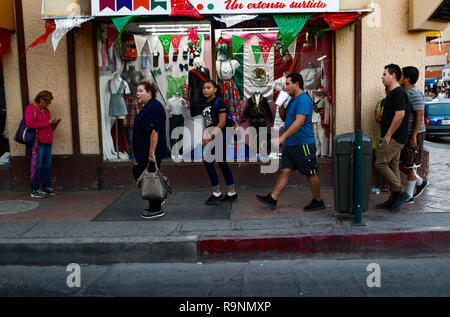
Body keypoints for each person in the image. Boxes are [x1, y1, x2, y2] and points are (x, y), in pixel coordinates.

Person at [256, 73, 326, 211]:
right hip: (291, 143)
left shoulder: (303, 99)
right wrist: (280, 104)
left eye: (288, 84)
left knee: (310, 173)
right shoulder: (293, 100)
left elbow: (299, 122)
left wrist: (281, 138)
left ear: (297, 84)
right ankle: (273, 199)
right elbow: (283, 118)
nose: (285, 87)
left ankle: (318, 201)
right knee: (285, 171)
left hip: (303, 143)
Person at [375, 64, 411, 211]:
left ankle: (401, 192)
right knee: (392, 165)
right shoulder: (392, 93)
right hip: (392, 136)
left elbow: (400, 114)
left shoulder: (399, 93)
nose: (382, 77)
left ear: (393, 75)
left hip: (394, 137)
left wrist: (389, 134)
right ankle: (393, 199)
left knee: (380, 163)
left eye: (385, 74)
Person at [132, 81, 168, 220]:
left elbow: (155, 132)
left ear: (149, 93)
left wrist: (151, 154)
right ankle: (157, 200)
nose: (137, 94)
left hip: (151, 152)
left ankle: (156, 207)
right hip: (146, 151)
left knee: (150, 177)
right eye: (137, 91)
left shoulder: (153, 107)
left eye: (141, 91)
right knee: (142, 173)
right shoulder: (149, 106)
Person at [201, 80, 237, 205]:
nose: (205, 90)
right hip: (215, 134)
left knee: (208, 161)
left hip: (223, 133)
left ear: (215, 89)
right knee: (221, 162)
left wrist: (210, 137)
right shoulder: (205, 104)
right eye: (204, 88)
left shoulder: (219, 101)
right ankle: (231, 192)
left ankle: (217, 193)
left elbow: (221, 122)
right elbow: (209, 122)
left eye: (208, 87)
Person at [399, 66, 429, 204]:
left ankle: (409, 196)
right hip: (407, 133)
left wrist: (413, 135)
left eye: (401, 75)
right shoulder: (406, 92)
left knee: (410, 164)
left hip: (415, 133)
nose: (398, 77)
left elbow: (419, 115)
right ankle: (420, 182)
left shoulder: (414, 93)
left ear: (407, 78)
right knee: (401, 163)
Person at [25, 91, 61, 198]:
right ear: (40, 99)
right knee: (37, 165)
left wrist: (54, 124)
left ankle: (46, 187)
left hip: (48, 141)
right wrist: (48, 122)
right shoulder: (31, 108)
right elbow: (30, 123)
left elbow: (49, 128)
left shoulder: (46, 111)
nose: (47, 105)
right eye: (46, 102)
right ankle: (35, 189)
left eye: (49, 103)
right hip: (37, 141)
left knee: (47, 165)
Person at [374, 86, 389, 192]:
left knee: (390, 160)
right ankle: (384, 184)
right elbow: (377, 118)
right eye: (387, 89)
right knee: (382, 160)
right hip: (382, 135)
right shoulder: (381, 103)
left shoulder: (397, 102)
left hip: (393, 137)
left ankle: (390, 184)